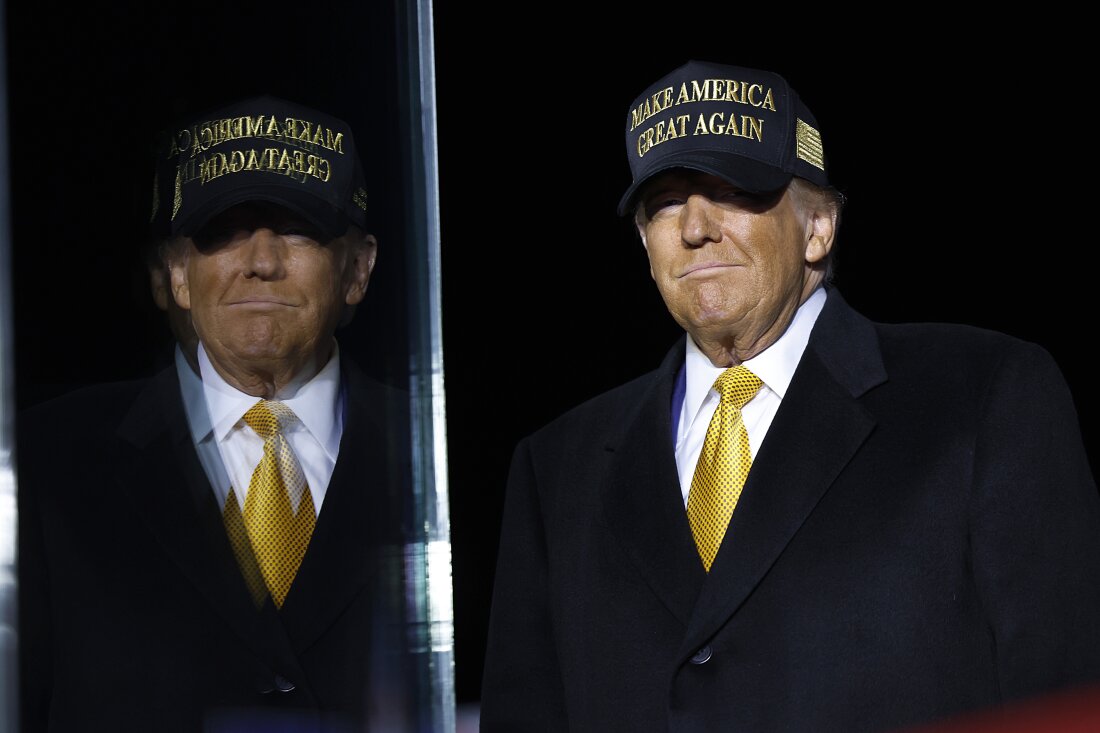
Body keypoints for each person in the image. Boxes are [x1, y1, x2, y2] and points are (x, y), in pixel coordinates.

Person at [478, 59, 1100, 732]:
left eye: (731, 189)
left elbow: (1064, 699)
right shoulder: (557, 470)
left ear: (818, 228)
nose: (694, 227)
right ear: (644, 243)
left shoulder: (982, 399)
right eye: (663, 203)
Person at [16, 95, 414, 732]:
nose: (260, 260)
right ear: (176, 272)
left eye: (297, 228)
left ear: (357, 269)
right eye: (221, 232)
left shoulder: (439, 455)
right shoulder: (46, 463)